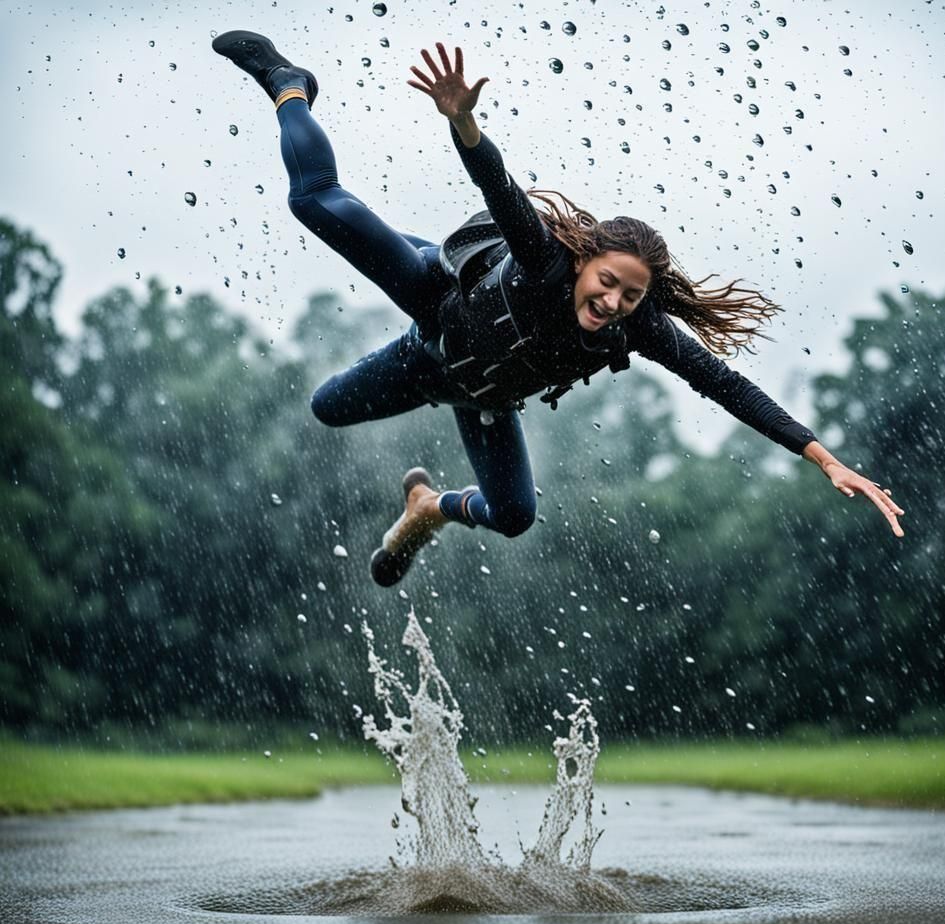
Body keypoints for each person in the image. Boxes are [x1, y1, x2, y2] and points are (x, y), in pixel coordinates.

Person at [212, 33, 905, 586]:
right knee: (315, 221)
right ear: (585, 263)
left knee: (513, 515)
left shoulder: (638, 328)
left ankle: (429, 509)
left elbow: (724, 384)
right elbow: (499, 185)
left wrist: (823, 459)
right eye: (607, 282)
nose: (612, 302)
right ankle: (289, 85)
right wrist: (464, 122)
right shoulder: (545, 261)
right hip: (437, 308)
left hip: (477, 393)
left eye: (630, 296)